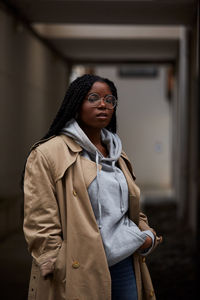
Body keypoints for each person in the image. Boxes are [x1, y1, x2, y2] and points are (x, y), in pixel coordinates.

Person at [23, 74, 162, 300]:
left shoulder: (117, 154)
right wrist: (57, 263)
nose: (103, 105)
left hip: (124, 263)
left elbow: (130, 207)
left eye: (110, 100)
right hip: (78, 268)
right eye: (93, 98)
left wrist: (146, 236)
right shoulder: (48, 154)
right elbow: (40, 220)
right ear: (76, 104)